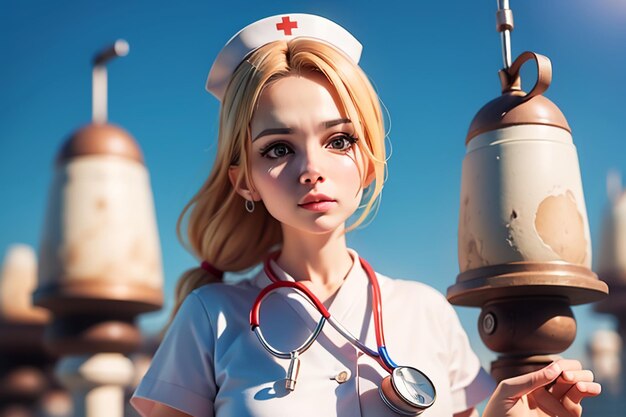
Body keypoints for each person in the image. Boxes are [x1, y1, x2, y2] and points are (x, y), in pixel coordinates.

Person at [130, 13, 601, 417]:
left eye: (339, 141)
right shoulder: (209, 319)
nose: (312, 170)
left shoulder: (426, 313)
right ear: (244, 180)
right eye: (278, 149)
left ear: (370, 159)